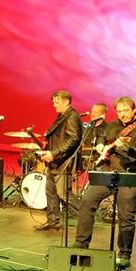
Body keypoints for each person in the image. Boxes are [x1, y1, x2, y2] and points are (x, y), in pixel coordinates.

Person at [72, 96, 136, 269]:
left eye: (126, 110)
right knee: (87, 201)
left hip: (130, 175)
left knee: (126, 215)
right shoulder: (113, 125)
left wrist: (125, 147)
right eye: (119, 111)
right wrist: (101, 145)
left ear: (134, 110)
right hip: (108, 172)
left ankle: (124, 254)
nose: (122, 114)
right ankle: (80, 244)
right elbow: (102, 137)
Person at [35, 90, 82, 230]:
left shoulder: (72, 117)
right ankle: (52, 221)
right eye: (53, 102)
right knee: (50, 191)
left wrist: (54, 153)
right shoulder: (62, 116)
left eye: (57, 102)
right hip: (55, 160)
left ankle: (86, 215)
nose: (54, 105)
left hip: (64, 161)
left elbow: (73, 139)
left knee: (64, 193)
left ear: (66, 102)